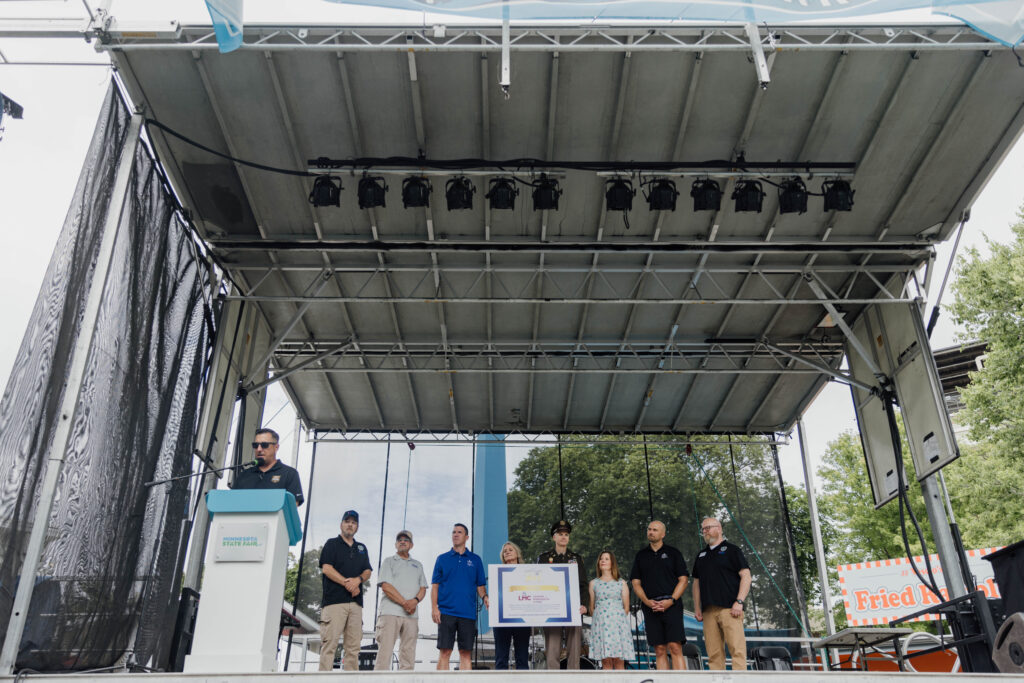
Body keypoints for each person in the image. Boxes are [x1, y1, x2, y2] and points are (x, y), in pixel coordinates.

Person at [692, 516, 752, 671]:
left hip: (730, 609)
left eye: (708, 527)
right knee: (714, 655)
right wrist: (697, 608)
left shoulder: (732, 550)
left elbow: (746, 576)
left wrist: (739, 602)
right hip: (708, 611)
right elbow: (696, 583)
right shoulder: (701, 555)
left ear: (719, 528)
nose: (705, 531)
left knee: (737, 651)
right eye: (703, 529)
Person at [630, 520, 689, 670]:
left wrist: (671, 600)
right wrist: (647, 602)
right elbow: (636, 583)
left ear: (663, 534)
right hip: (651, 607)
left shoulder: (673, 553)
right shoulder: (641, 555)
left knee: (675, 647)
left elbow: (683, 580)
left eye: (655, 530)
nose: (651, 532)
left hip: (672, 605)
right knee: (659, 649)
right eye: (649, 529)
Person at [318, 510, 372, 671]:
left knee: (353, 649)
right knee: (329, 646)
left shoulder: (361, 548)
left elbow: (367, 571)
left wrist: (357, 580)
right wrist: (347, 583)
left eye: (354, 522)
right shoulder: (331, 544)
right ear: (341, 524)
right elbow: (326, 569)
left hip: (355, 605)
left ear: (357, 527)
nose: (350, 524)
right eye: (347, 521)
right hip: (334, 603)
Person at [431, 523, 488, 671]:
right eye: (454, 532)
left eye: (459, 532)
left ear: (466, 537)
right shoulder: (442, 559)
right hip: (446, 612)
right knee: (445, 652)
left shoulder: (475, 560)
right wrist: (434, 608)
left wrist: (485, 598)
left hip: (468, 613)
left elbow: (480, 586)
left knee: (465, 653)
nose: (455, 534)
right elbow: (435, 586)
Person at [536, 520, 588, 670]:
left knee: (575, 647)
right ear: (554, 537)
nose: (564, 537)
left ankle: (573, 678)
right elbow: (539, 584)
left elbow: (583, 585)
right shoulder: (544, 558)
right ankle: (553, 679)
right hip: (552, 608)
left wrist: (584, 605)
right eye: (560, 534)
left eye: (566, 534)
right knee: (552, 648)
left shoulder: (576, 558)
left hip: (574, 607)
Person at [374, 530, 428, 671]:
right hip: (390, 613)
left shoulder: (418, 565)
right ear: (396, 544)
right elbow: (385, 586)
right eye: (399, 540)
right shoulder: (389, 561)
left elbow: (423, 588)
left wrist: (414, 601)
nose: (402, 541)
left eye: (406, 540)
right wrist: (405, 603)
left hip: (411, 615)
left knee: (408, 656)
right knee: (384, 654)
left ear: (411, 545)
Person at [588, 550, 635, 670]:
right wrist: (600, 619)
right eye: (601, 558)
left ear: (612, 563)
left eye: (606, 559)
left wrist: (615, 618)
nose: (603, 561)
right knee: (606, 662)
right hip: (601, 625)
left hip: (618, 626)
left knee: (619, 662)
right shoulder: (593, 583)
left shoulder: (621, 583)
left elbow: (626, 608)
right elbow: (591, 607)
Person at [232, 427, 304, 505]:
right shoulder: (244, 475)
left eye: (264, 445)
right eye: (255, 445)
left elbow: (292, 506)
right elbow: (232, 503)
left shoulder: (289, 473)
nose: (259, 449)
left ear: (276, 447)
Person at [493, 542, 531, 670]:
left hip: (522, 618)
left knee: (522, 658)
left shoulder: (528, 572)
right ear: (502, 556)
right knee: (501, 658)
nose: (507, 552)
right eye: (505, 551)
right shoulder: (497, 573)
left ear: (517, 553)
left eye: (510, 550)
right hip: (502, 619)